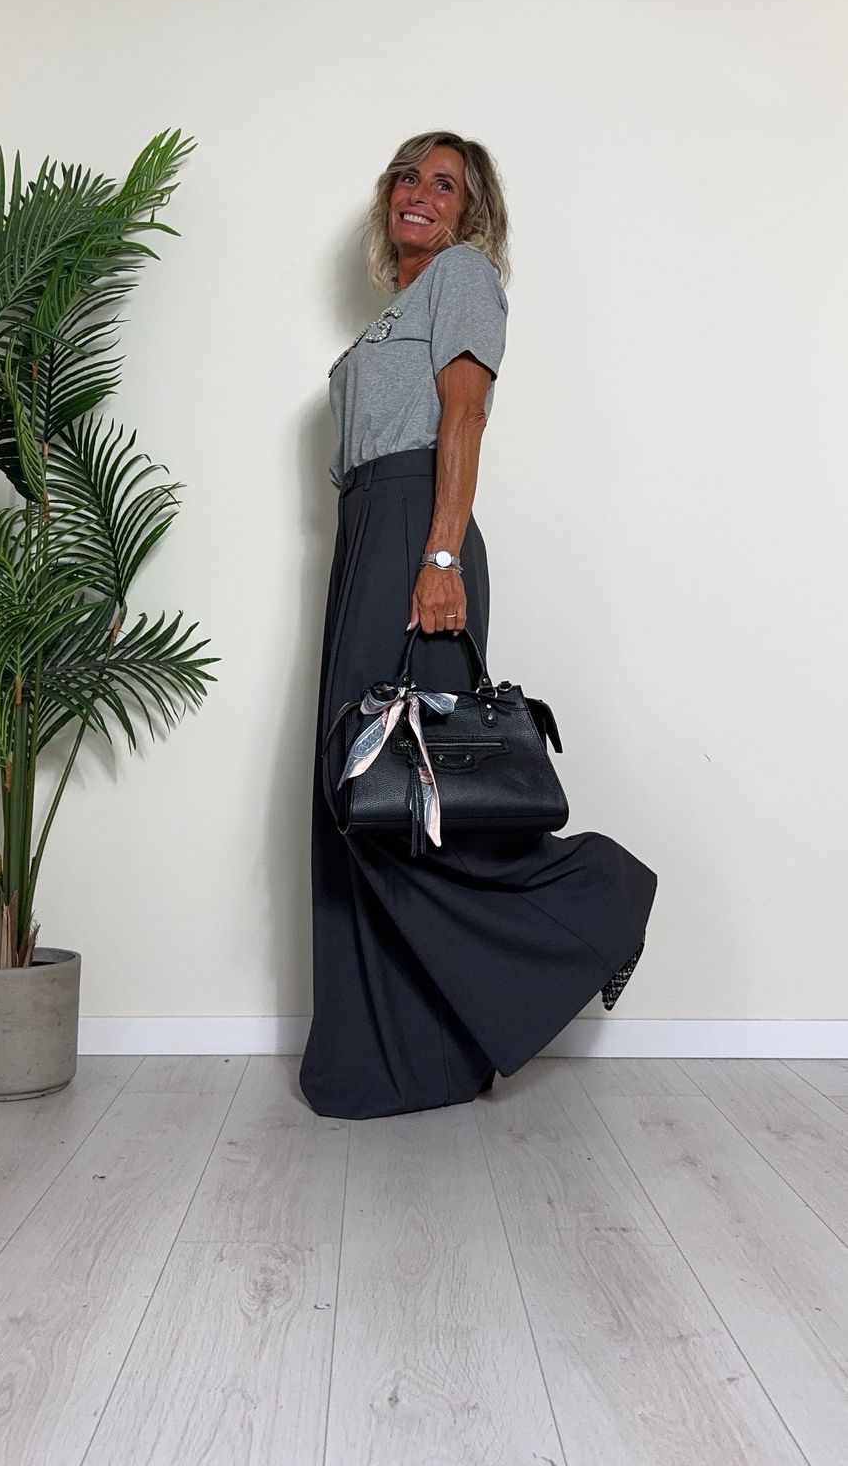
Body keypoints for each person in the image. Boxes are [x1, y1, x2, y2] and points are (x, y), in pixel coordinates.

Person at [298, 130, 658, 1120]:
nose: (418, 192)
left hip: (417, 531)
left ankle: (595, 902)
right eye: (407, 176)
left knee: (410, 785)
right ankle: (401, 1057)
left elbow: (463, 417)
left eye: (444, 184)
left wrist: (441, 556)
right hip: (368, 537)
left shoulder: (460, 278)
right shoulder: (394, 311)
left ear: (469, 212)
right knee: (368, 795)